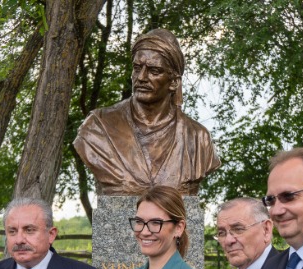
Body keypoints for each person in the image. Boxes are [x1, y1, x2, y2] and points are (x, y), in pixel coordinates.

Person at [73, 28, 220, 195]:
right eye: (137, 68)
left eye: (154, 71)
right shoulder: (97, 127)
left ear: (174, 82)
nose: (141, 77)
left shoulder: (197, 137)